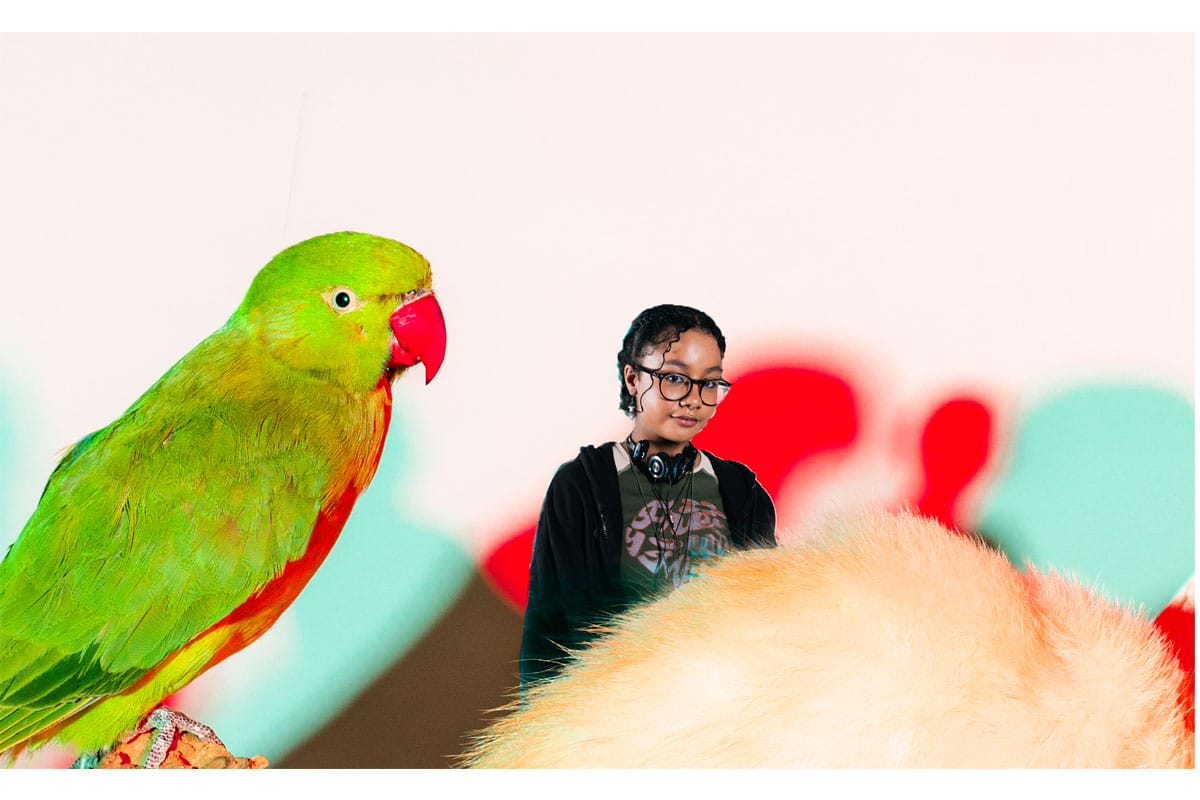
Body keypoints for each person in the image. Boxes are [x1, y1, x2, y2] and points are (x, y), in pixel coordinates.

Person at [519, 304, 777, 688]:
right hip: (613, 712)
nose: (694, 400)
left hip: (721, 711)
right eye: (675, 378)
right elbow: (548, 632)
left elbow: (771, 619)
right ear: (632, 378)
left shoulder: (743, 494)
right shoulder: (581, 485)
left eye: (709, 384)